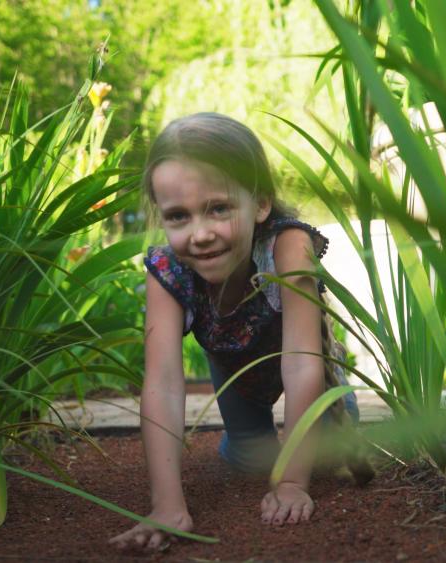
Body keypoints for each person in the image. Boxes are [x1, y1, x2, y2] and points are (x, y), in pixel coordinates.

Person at [110, 113, 371, 551]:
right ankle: (248, 438)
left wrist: (291, 482)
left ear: (261, 203)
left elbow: (303, 364)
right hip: (235, 377)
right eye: (178, 216)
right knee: (249, 459)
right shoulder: (167, 271)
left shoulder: (288, 247)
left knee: (323, 457)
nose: (200, 234)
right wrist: (167, 504)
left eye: (218, 208)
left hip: (307, 373)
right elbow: (163, 384)